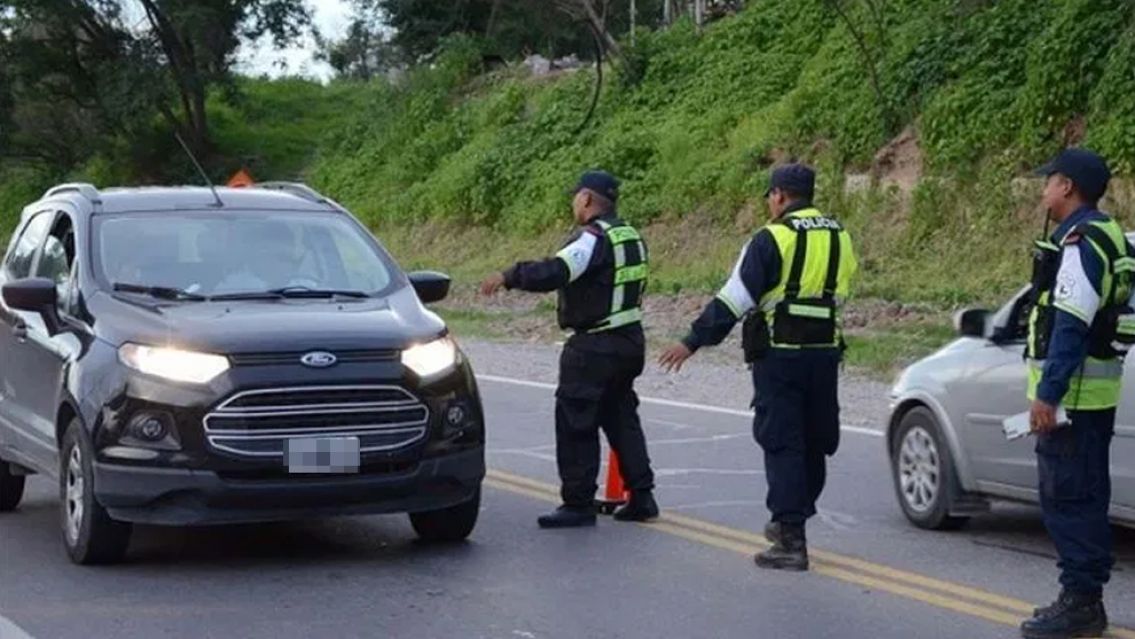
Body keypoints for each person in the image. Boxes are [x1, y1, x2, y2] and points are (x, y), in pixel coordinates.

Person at [659, 163, 857, 571]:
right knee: (815, 441)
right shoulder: (840, 235)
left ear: (780, 196)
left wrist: (692, 340)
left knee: (783, 441)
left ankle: (789, 537)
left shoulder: (771, 238)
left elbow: (736, 299)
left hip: (780, 356)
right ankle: (795, 517)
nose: (769, 203)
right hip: (824, 353)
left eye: (770, 196)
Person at [480, 170, 659, 528]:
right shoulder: (631, 236)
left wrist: (510, 276)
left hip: (593, 345)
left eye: (575, 198)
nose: (573, 204)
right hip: (629, 341)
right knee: (621, 417)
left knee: (577, 419)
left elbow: (557, 270)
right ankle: (642, 495)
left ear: (587, 200)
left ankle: (577, 503)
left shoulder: (592, 238)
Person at [1020, 148, 1135, 639]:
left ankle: (1081, 603)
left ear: (1067, 187)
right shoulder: (1112, 235)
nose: (1043, 190)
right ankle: (1087, 599)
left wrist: (1048, 395)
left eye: (1049, 181)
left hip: (1075, 396)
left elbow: (1069, 325)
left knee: (1067, 500)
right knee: (1087, 496)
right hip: (1098, 391)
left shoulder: (1080, 241)